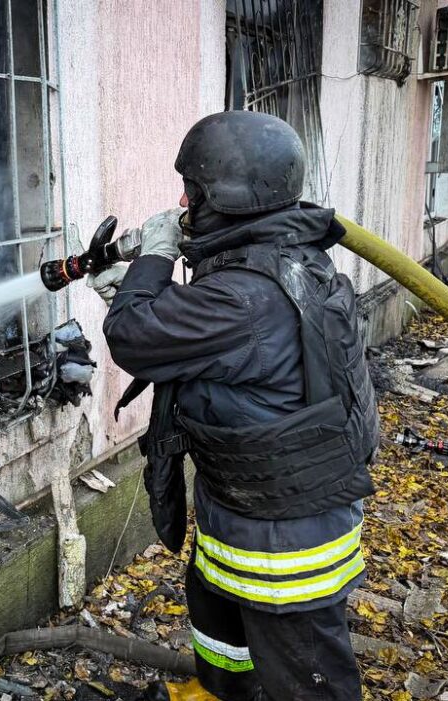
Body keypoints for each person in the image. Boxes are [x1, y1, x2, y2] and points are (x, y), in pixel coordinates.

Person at [89, 111, 381, 701]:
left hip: (285, 544)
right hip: (254, 509)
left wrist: (151, 265)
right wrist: (137, 291)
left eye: (191, 190)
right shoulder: (280, 258)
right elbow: (219, 339)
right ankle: (221, 693)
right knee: (220, 626)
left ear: (224, 198)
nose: (182, 201)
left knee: (307, 675)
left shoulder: (245, 294)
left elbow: (135, 339)